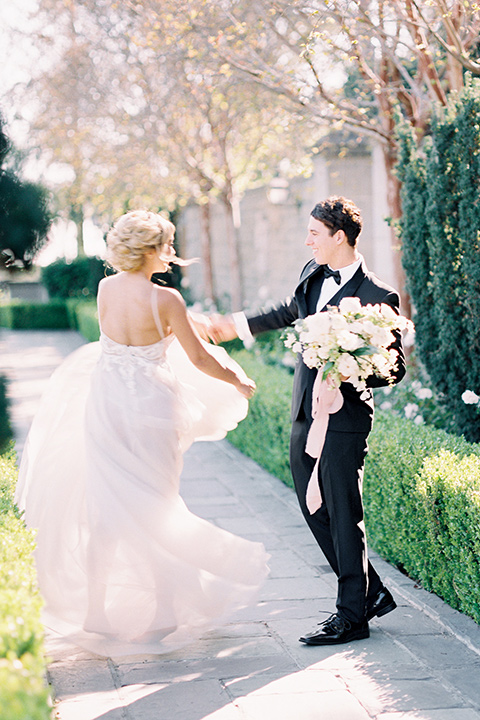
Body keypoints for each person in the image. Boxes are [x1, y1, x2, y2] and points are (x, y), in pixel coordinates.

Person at [16, 209, 269, 656]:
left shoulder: (105, 288)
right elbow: (199, 359)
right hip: (153, 408)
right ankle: (164, 611)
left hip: (107, 403)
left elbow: (115, 346)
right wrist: (236, 380)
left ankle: (96, 609)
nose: (172, 255)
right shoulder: (166, 300)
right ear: (150, 249)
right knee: (157, 503)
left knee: (107, 504)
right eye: (168, 245)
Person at [209, 196, 406, 645]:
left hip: (346, 420)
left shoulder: (379, 297)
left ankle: (351, 617)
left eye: (314, 233)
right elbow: (285, 311)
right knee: (313, 507)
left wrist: (351, 363)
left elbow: (393, 369)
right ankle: (370, 591)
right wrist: (233, 325)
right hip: (304, 412)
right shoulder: (311, 273)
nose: (307, 240)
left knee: (343, 515)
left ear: (339, 237)